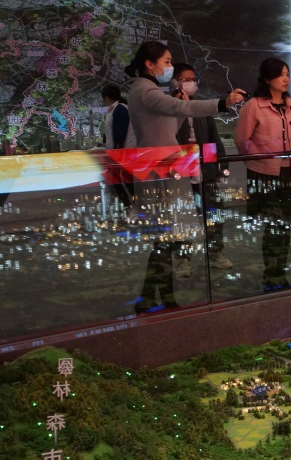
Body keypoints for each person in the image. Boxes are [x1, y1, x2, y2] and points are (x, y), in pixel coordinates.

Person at [121, 41, 245, 313]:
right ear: (149, 64)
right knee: (164, 240)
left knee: (165, 241)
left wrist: (181, 106)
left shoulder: (146, 90)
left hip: (164, 171)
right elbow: (183, 112)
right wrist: (223, 103)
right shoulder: (146, 90)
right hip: (159, 173)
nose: (170, 67)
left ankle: (156, 298)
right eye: (166, 62)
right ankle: (155, 298)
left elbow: (169, 124)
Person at [234, 58, 291, 290]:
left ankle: (280, 272)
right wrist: (261, 157)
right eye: (280, 74)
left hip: (289, 172)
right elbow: (242, 141)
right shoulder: (253, 106)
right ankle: (270, 274)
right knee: (273, 226)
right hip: (264, 174)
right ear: (267, 78)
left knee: (285, 225)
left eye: (287, 74)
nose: (285, 79)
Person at [172, 63, 233, 273]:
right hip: (181, 171)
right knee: (184, 217)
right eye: (186, 80)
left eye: (193, 79)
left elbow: (212, 138)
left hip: (205, 170)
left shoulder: (201, 107)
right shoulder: (169, 107)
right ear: (175, 82)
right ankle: (182, 258)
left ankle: (215, 253)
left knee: (214, 213)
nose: (191, 83)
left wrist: (219, 165)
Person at [100, 82, 135, 211]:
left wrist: (117, 150)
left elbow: (119, 132)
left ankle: (129, 205)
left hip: (123, 152)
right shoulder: (117, 108)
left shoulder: (119, 109)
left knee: (121, 180)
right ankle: (128, 205)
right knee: (121, 180)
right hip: (120, 152)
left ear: (106, 97)